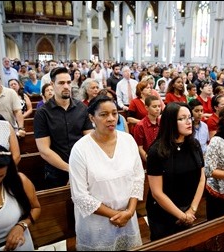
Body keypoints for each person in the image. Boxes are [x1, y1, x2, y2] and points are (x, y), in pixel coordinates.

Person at [68, 95, 144, 251]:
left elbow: (137, 178)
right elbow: (80, 195)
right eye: (104, 115)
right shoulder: (80, 149)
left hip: (127, 218)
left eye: (114, 113)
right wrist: (116, 215)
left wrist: (129, 211)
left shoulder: (128, 140)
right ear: (92, 118)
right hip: (97, 224)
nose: (111, 119)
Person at [146, 102, 206, 241]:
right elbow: (157, 193)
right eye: (181, 118)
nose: (188, 122)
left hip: (189, 208)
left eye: (189, 117)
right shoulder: (156, 151)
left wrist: (192, 210)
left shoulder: (194, 144)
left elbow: (201, 178)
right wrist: (181, 216)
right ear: (170, 122)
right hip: (163, 212)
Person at [34, 67, 94, 189]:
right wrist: (70, 170)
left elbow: (90, 140)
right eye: (61, 83)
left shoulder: (81, 108)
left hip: (82, 167)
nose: (66, 86)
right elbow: (44, 151)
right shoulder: (42, 113)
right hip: (56, 171)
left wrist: (81, 169)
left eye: (68, 82)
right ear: (52, 84)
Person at [133, 95, 161, 164]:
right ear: (146, 108)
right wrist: (150, 162)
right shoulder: (140, 125)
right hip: (148, 161)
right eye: (154, 106)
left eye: (159, 106)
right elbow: (140, 148)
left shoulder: (162, 122)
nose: (158, 109)